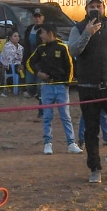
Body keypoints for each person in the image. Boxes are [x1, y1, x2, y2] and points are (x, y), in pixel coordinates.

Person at [68, 0, 107, 184]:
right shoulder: (77, 28)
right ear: (86, 9)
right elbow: (73, 50)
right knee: (91, 130)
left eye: (98, 6)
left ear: (104, 7)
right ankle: (95, 168)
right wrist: (88, 33)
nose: (96, 9)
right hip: (88, 87)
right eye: (92, 6)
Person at [29, 26, 81, 155]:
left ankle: (71, 143)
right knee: (47, 116)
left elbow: (70, 66)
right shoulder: (41, 49)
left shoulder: (62, 47)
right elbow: (29, 62)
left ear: (50, 33)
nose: (41, 36)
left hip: (61, 87)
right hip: (46, 86)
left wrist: (67, 84)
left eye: (43, 33)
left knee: (66, 116)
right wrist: (38, 73)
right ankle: (48, 143)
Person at [0, 31, 24, 97]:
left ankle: (23, 89)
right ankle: (12, 90)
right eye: (15, 36)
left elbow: (21, 57)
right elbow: (10, 58)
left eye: (18, 36)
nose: (17, 38)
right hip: (9, 65)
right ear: (10, 38)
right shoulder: (7, 46)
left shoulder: (20, 46)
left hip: (18, 64)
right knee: (19, 69)